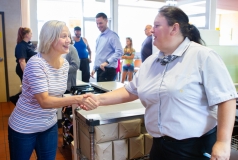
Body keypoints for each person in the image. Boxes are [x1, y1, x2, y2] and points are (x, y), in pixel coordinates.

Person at [82, 6, 237, 160]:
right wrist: (98, 100)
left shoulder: (203, 56)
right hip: (160, 145)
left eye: (156, 26)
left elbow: (226, 99)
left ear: (174, 28)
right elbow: (131, 90)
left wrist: (223, 142)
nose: (151, 31)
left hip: (194, 147)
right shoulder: (151, 62)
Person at [8, 20, 97, 160]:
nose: (69, 40)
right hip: (24, 127)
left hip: (48, 125)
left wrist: (76, 100)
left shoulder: (65, 64)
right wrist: (77, 99)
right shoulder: (36, 64)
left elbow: (57, 96)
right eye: (63, 36)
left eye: (68, 36)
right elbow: (44, 101)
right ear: (50, 39)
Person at [91, 12, 123, 82]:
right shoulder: (99, 37)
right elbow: (98, 55)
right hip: (100, 70)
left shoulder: (112, 36)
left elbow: (120, 51)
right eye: (97, 23)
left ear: (106, 21)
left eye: (101, 23)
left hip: (108, 70)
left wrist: (106, 62)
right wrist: (94, 68)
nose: (98, 25)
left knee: (106, 92)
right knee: (100, 92)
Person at [9, 27, 37, 105]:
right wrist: (26, 74)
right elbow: (22, 62)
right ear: (27, 34)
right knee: (28, 88)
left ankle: (20, 101)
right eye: (31, 33)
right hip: (23, 69)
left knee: (29, 88)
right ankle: (15, 99)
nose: (32, 35)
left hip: (28, 69)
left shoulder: (27, 44)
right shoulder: (21, 46)